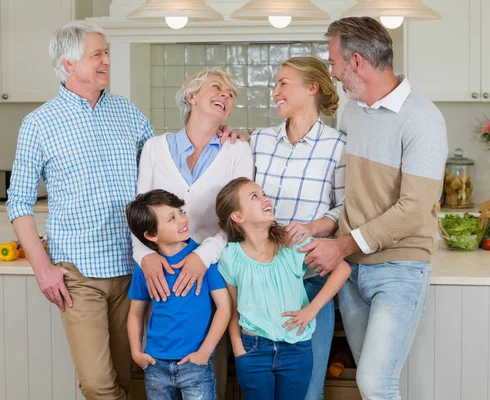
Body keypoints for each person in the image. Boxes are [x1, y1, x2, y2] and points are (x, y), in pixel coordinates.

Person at [299, 17, 448, 399]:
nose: (332, 73)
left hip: (399, 269)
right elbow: (346, 189)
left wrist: (342, 245)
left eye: (334, 63)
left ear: (358, 63)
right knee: (370, 383)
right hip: (352, 273)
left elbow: (413, 210)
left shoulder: (423, 119)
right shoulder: (353, 113)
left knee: (376, 383)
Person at [5, 20, 155, 399]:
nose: (106, 61)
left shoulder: (129, 113)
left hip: (132, 266)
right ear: (69, 64)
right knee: (97, 383)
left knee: (125, 376)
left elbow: (161, 173)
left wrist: (216, 132)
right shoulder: (38, 123)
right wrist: (43, 269)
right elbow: (18, 201)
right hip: (78, 273)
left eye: (107, 53)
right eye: (97, 54)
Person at [132, 67, 254, 398]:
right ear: (191, 96)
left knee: (206, 368)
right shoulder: (156, 149)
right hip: (163, 272)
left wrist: (202, 256)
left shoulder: (237, 151)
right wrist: (145, 257)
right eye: (217, 87)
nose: (226, 95)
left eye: (231, 94)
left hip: (215, 269)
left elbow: (237, 219)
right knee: (161, 358)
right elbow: (139, 212)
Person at [249, 56, 345, 400]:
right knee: (260, 388)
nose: (275, 92)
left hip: (309, 279)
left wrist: (310, 227)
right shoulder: (258, 141)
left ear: (312, 88)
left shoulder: (338, 145)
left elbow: (344, 207)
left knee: (307, 391)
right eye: (275, 85)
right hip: (258, 280)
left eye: (283, 83)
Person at [215, 177, 350, 400]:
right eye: (254, 197)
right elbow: (233, 309)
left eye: (263, 193)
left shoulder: (292, 245)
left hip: (296, 351)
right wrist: (239, 351)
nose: (265, 199)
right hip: (253, 351)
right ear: (238, 216)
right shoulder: (230, 256)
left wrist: (312, 309)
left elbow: (342, 268)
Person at [126, 189, 231, 400]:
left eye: (181, 211)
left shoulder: (203, 259)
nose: (183, 219)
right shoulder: (146, 268)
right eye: (171, 218)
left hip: (195, 366)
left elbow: (224, 308)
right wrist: (136, 352)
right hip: (156, 365)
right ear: (151, 235)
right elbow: (135, 313)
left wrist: (204, 353)